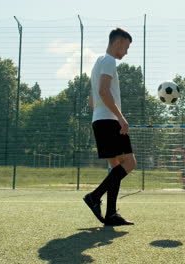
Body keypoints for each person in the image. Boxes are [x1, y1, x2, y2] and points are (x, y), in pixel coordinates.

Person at [83, 28, 136, 226]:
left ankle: (111, 214)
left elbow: (91, 99)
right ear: (118, 42)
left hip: (99, 120)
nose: (126, 52)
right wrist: (120, 117)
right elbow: (104, 91)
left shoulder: (98, 63)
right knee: (129, 163)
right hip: (109, 120)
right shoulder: (109, 61)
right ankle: (94, 197)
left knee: (116, 166)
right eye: (127, 47)